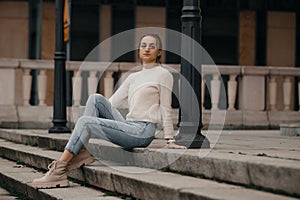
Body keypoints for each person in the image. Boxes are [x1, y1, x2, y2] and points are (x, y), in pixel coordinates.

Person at [32, 33, 186, 189]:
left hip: (143, 131)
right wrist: (98, 121)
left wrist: (170, 139)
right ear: (139, 49)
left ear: (159, 52)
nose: (147, 49)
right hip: (129, 125)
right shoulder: (134, 76)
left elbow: (166, 107)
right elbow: (110, 103)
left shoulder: (163, 74)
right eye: (143, 45)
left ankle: (59, 170)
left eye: (152, 46)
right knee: (95, 98)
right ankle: (84, 150)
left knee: (85, 122)